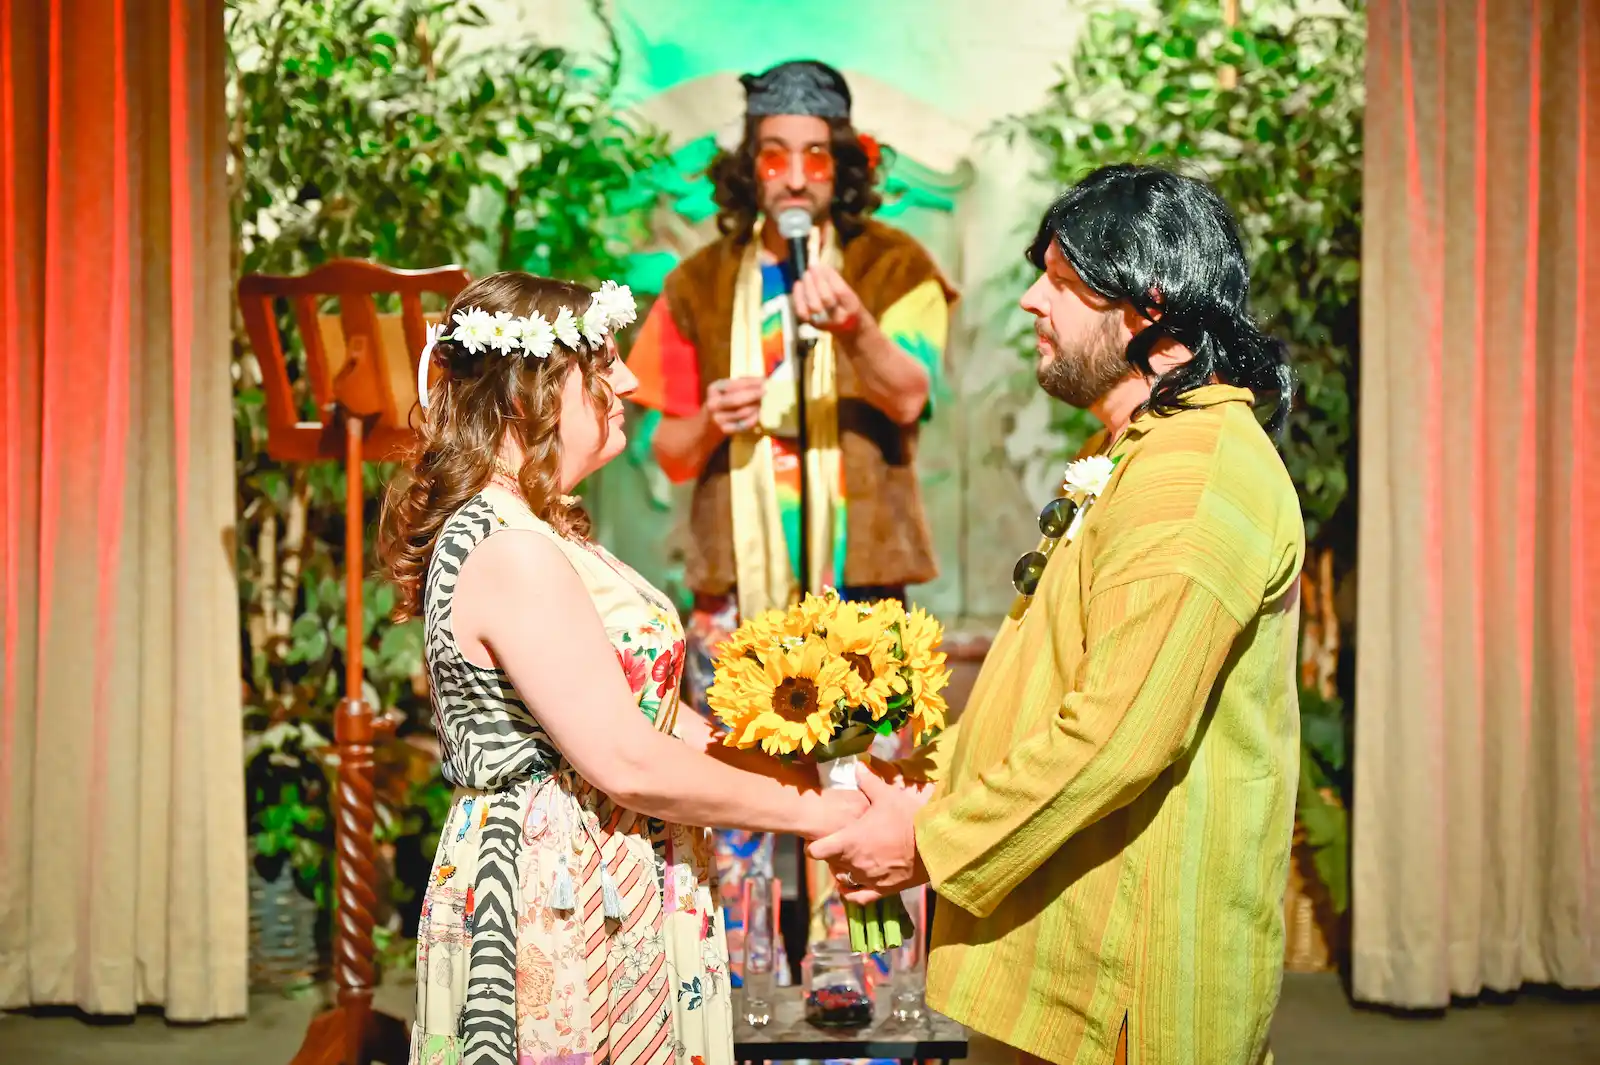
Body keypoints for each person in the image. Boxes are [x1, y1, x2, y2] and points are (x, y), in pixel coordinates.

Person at [811, 164, 1306, 1065]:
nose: (1033, 302)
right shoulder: (1139, 449)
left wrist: (925, 839)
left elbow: (1118, 734)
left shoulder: (1193, 477)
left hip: (1125, 973)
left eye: (1064, 282)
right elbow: (1044, 678)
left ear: (1148, 304)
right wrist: (924, 780)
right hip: (1066, 940)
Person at [379, 271, 865, 1065]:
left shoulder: (545, 525)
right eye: (601, 362)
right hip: (556, 892)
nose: (631, 380)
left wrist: (828, 780)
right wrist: (820, 818)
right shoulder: (507, 546)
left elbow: (659, 718)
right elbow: (627, 759)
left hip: (620, 870)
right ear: (523, 392)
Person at [624, 59, 956, 962]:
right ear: (750, 167)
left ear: (844, 165)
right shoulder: (697, 282)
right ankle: (742, 981)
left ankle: (872, 985)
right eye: (776, 155)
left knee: (873, 788)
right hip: (736, 590)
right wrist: (708, 421)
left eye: (816, 154)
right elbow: (667, 446)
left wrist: (855, 325)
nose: (798, 174)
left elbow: (910, 393)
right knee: (734, 787)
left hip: (865, 586)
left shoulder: (897, 265)